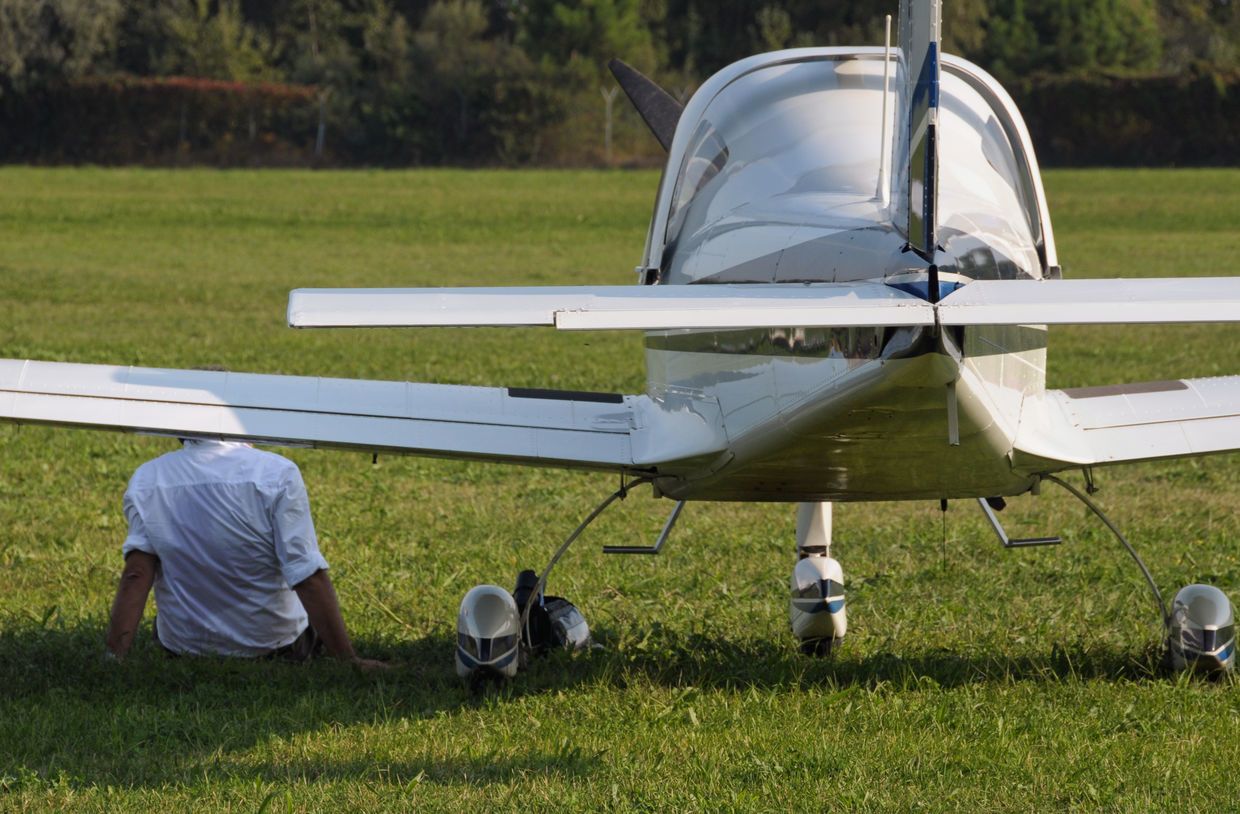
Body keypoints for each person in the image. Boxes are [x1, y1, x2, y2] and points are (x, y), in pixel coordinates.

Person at [105, 438, 385, 670]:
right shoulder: (277, 473)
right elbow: (306, 574)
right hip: (277, 648)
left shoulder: (147, 478)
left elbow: (136, 573)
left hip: (182, 650)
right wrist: (349, 661)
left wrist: (113, 658)